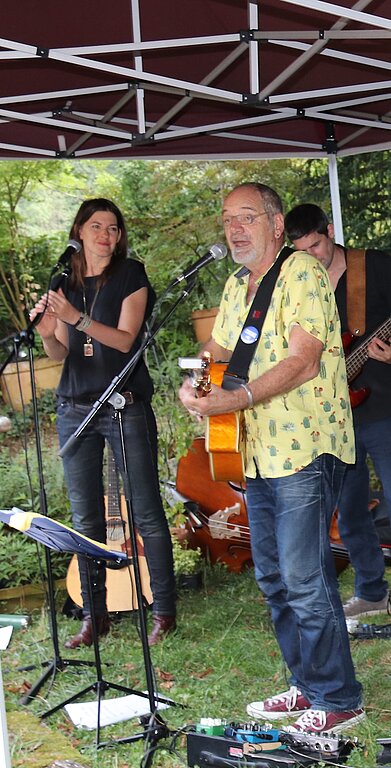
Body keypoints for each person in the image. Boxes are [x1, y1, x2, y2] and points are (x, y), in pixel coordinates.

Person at [179, 182, 364, 733]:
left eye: (247, 217)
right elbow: (218, 348)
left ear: (276, 224)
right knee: (276, 578)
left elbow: (305, 360)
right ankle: (306, 687)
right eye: (228, 219)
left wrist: (237, 396)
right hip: (254, 452)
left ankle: (339, 699)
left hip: (303, 446)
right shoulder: (238, 284)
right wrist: (194, 381)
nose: (234, 228)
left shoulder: (302, 272)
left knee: (307, 579)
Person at [30, 198, 176, 648]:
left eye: (113, 227)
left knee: (146, 510)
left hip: (123, 405)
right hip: (75, 406)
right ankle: (95, 617)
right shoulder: (65, 282)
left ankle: (165, 612)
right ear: (79, 230)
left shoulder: (131, 275)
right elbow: (61, 353)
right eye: (97, 226)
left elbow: (124, 340)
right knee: (83, 518)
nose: (106, 235)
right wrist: (48, 329)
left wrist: (78, 319)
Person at [285, 204, 390, 620]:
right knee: (349, 514)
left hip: (382, 406)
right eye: (301, 251)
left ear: (330, 231)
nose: (312, 256)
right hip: (331, 419)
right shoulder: (297, 283)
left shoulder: (375, 266)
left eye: (316, 245)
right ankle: (371, 591)